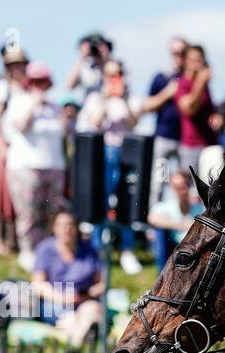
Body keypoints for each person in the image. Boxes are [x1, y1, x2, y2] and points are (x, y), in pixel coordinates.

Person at [77, 58, 140, 274]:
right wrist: (105, 97)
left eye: (118, 74)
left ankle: (126, 249)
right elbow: (95, 122)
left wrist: (122, 98)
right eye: (111, 75)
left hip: (126, 153)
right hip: (103, 152)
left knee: (126, 201)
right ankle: (98, 249)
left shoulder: (130, 98)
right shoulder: (95, 97)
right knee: (100, 200)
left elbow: (133, 123)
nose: (115, 79)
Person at [4, 61, 66, 270]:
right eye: (36, 81)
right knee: (28, 212)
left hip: (54, 165)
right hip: (25, 165)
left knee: (51, 213)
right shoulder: (18, 102)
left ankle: (46, 251)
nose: (39, 85)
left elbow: (64, 135)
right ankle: (27, 250)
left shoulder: (55, 107)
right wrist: (34, 103)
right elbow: (21, 125)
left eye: (43, 81)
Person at [31, 209, 104, 343]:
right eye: (62, 225)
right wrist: (63, 298)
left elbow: (101, 284)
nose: (67, 229)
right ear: (54, 228)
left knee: (93, 310)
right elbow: (38, 285)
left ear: (76, 228)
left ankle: (78, 338)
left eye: (70, 225)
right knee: (69, 316)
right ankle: (80, 339)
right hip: (55, 301)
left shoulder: (90, 250)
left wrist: (86, 294)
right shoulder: (45, 249)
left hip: (84, 299)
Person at [0, 44, 27, 256]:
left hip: (21, 149)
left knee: (15, 195)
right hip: (5, 145)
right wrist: (0, 141)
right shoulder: (2, 87)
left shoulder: (26, 88)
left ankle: (14, 240)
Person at [142, 37, 186, 206]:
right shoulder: (160, 77)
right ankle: (156, 226)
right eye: (176, 52)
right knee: (159, 181)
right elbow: (147, 106)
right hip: (164, 138)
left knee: (183, 184)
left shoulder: (190, 78)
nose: (179, 56)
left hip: (185, 141)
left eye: (183, 52)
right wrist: (167, 93)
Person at [175, 45, 219, 170]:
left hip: (208, 144)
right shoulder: (182, 84)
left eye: (200, 60)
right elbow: (189, 109)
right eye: (193, 60)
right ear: (186, 62)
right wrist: (201, 81)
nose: (197, 64)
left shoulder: (204, 86)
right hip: (191, 146)